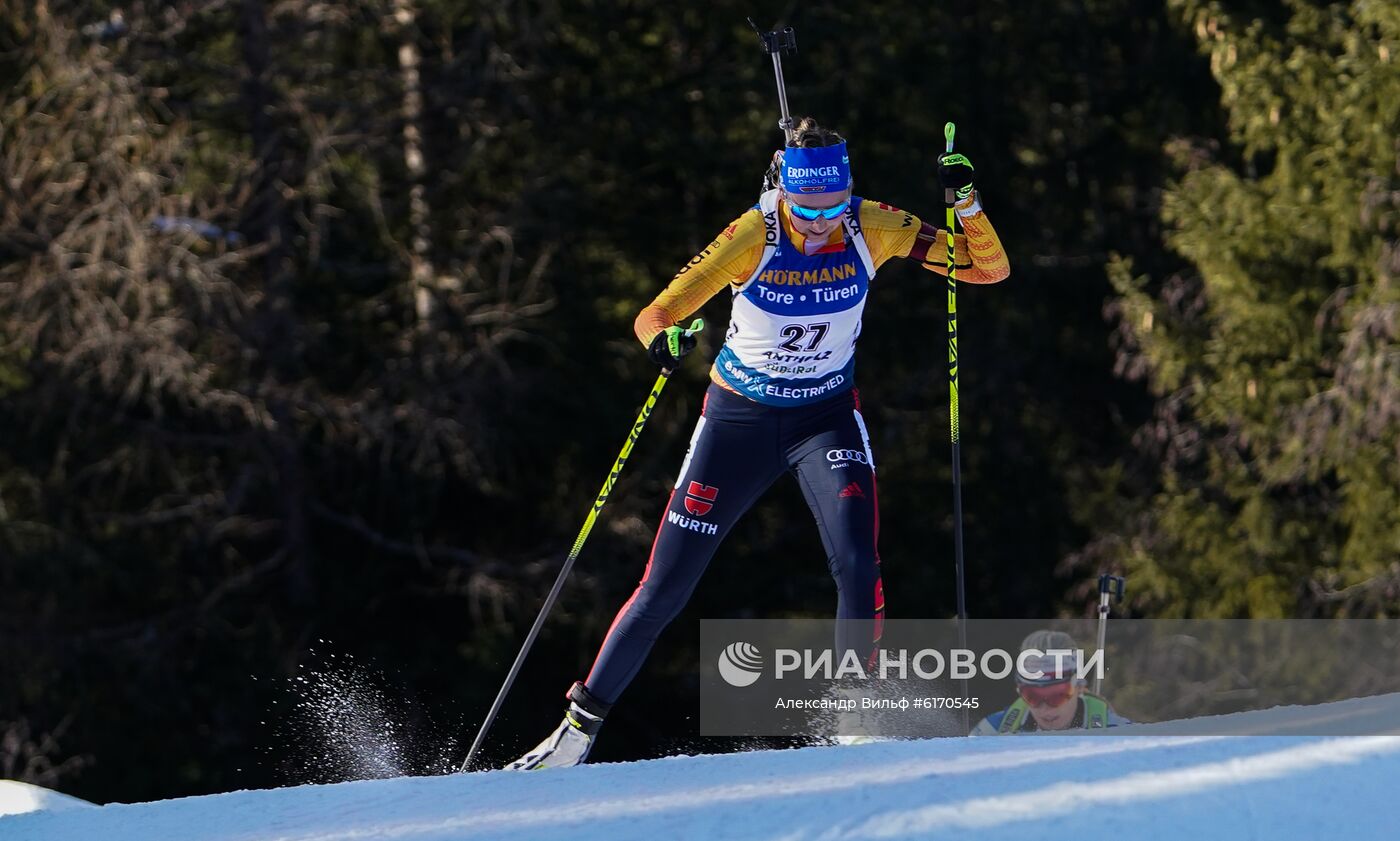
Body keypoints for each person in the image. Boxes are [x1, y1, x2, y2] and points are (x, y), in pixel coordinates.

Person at [510, 117, 1011, 769]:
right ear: (784, 196)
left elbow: (988, 269)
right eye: (806, 210)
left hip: (823, 418)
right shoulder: (754, 233)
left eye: (832, 207)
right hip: (737, 423)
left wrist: (966, 202)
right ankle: (574, 734)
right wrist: (665, 342)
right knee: (665, 586)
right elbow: (653, 314)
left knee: (858, 559)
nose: (819, 224)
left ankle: (853, 712)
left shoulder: (872, 225)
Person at [972, 630, 1130, 734]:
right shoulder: (992, 730)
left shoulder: (1117, 732)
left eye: (1057, 695)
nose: (1045, 709)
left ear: (1079, 686)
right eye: (1032, 696)